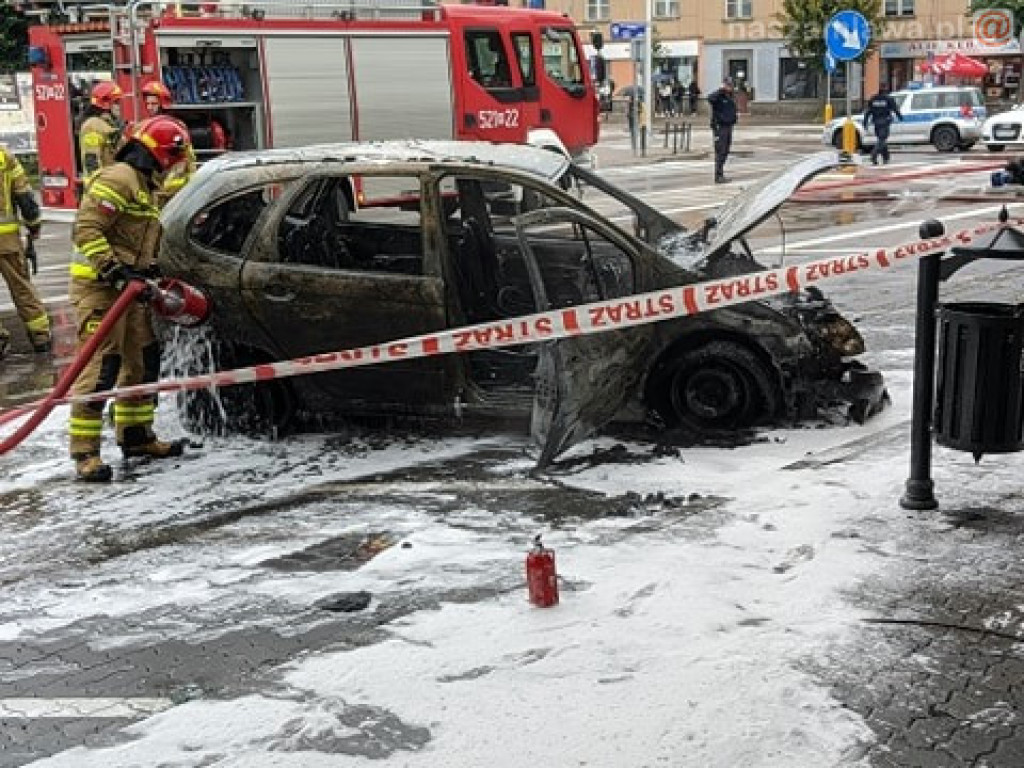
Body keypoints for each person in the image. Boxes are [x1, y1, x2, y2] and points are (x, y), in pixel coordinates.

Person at [68, 115, 193, 483]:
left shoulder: (143, 185)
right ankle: (85, 453)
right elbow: (86, 229)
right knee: (100, 369)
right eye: (173, 155)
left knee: (141, 362)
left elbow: (134, 239)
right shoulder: (119, 178)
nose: (173, 164)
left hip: (128, 292)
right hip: (101, 291)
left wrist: (149, 271)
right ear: (159, 153)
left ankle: (137, 438)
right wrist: (114, 270)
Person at [0, 147, 49, 358]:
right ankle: (41, 338)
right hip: (7, 240)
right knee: (22, 289)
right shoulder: (4, 156)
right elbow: (25, 198)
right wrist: (34, 226)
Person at [139, 79, 197, 205]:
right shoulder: (147, 126)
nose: (149, 107)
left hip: (175, 188)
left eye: (153, 104)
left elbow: (186, 159)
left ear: (162, 104)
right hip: (157, 185)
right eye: (147, 104)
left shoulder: (175, 127)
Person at [78, 81, 124, 184]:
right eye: (116, 102)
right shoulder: (92, 126)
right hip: (101, 189)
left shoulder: (108, 125)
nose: (119, 106)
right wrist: (98, 190)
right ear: (106, 103)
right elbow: (91, 161)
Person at [863, 84, 903, 165]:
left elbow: (868, 112)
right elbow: (895, 109)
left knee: (882, 139)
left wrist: (865, 122)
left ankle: (886, 157)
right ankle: (874, 155)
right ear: (885, 90)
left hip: (876, 122)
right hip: (885, 122)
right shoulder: (888, 99)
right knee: (882, 140)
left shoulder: (873, 99)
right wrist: (900, 117)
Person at [707, 78, 738, 184]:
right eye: (728, 85)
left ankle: (721, 173)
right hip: (720, 127)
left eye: (731, 85)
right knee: (720, 151)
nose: (730, 87)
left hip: (728, 126)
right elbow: (710, 98)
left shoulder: (730, 96)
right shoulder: (719, 96)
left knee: (725, 150)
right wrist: (721, 90)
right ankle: (718, 175)